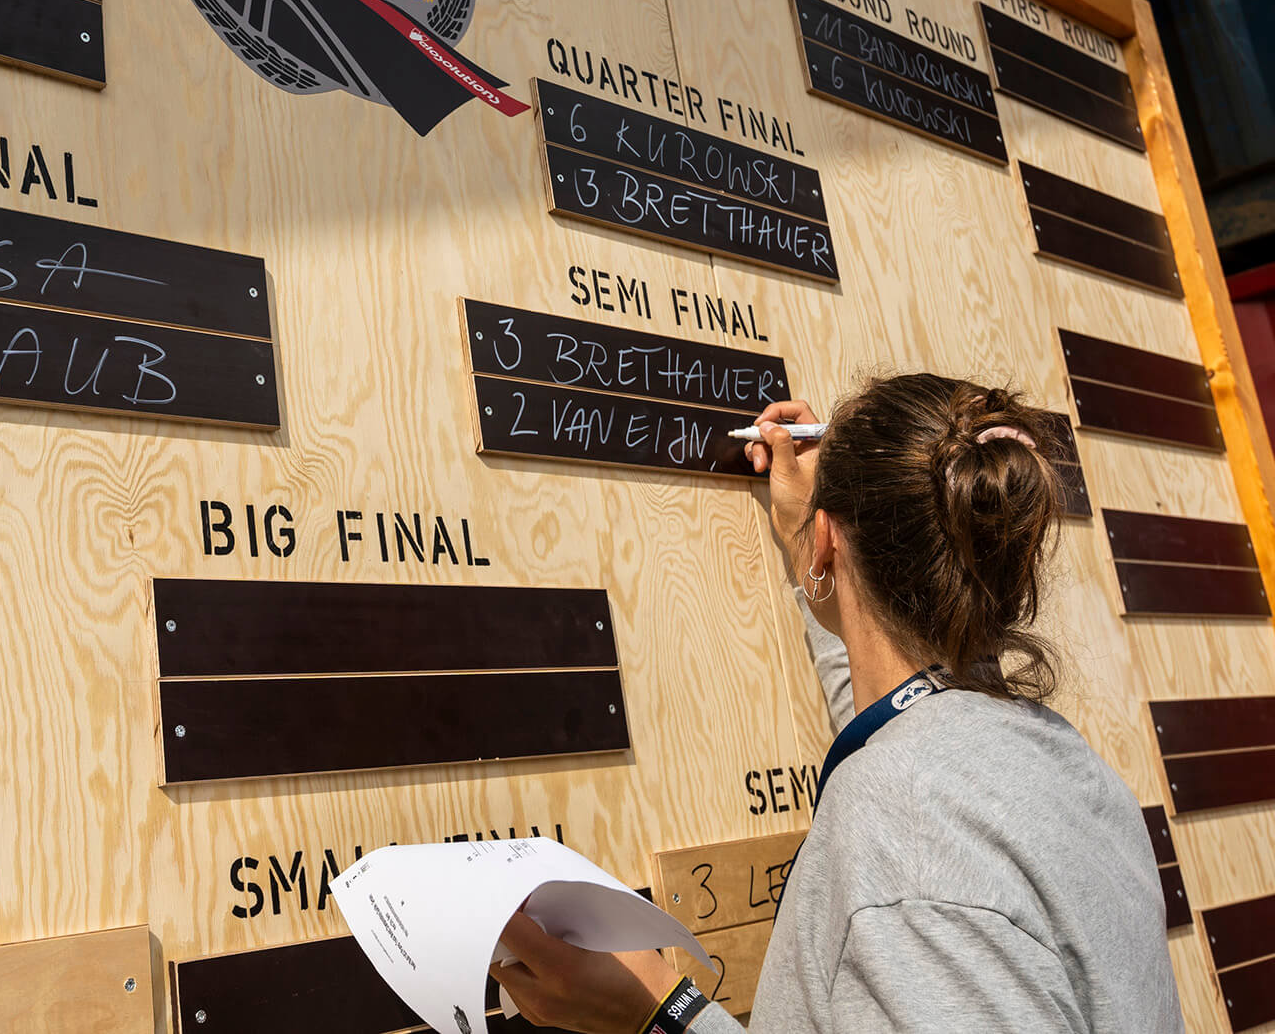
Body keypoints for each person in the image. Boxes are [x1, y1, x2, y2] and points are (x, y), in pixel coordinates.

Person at [491, 374, 1182, 1033]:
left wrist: (655, 1015)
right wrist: (813, 550)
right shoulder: (1067, 769)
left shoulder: (902, 836)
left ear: (829, 540)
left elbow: (912, 834)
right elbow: (906, 710)